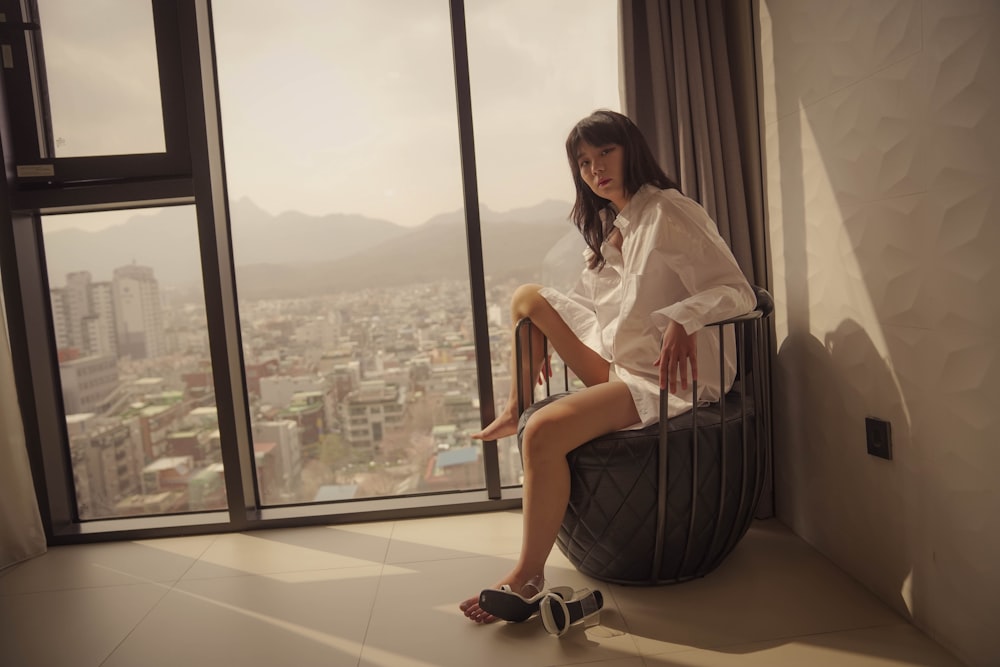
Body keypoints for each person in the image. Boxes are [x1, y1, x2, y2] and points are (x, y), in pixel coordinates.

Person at [460, 109, 756, 624]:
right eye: (584, 161)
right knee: (528, 298)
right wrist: (554, 338)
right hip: (626, 361)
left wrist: (685, 318)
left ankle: (529, 577)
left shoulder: (668, 210)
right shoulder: (615, 227)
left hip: (669, 378)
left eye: (605, 153)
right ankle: (515, 406)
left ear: (630, 150)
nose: (595, 168)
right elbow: (603, 312)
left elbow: (737, 290)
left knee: (545, 432)